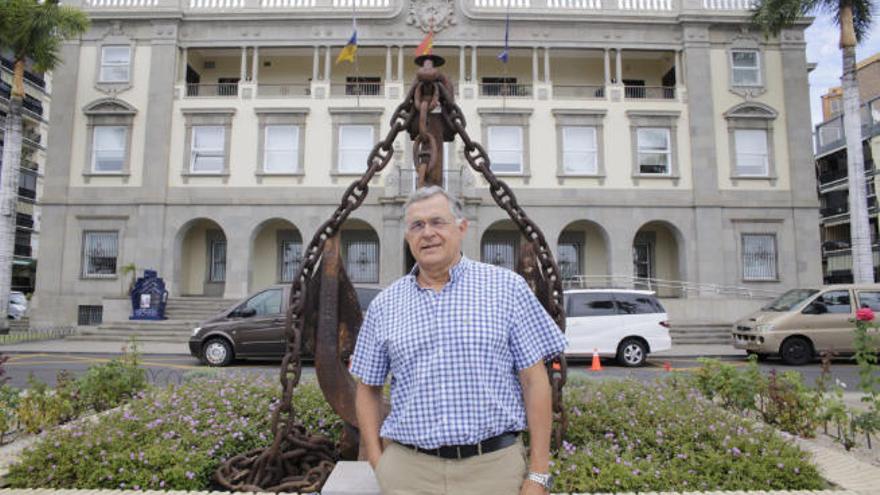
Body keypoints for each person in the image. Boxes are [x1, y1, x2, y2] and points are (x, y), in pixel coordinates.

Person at [350, 186, 567, 495]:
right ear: (407, 236)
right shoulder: (385, 304)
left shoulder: (507, 289)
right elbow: (367, 388)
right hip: (407, 473)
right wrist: (377, 461)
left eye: (438, 222)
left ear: (461, 228)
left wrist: (538, 474)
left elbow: (535, 381)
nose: (428, 233)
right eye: (417, 225)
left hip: (493, 470)